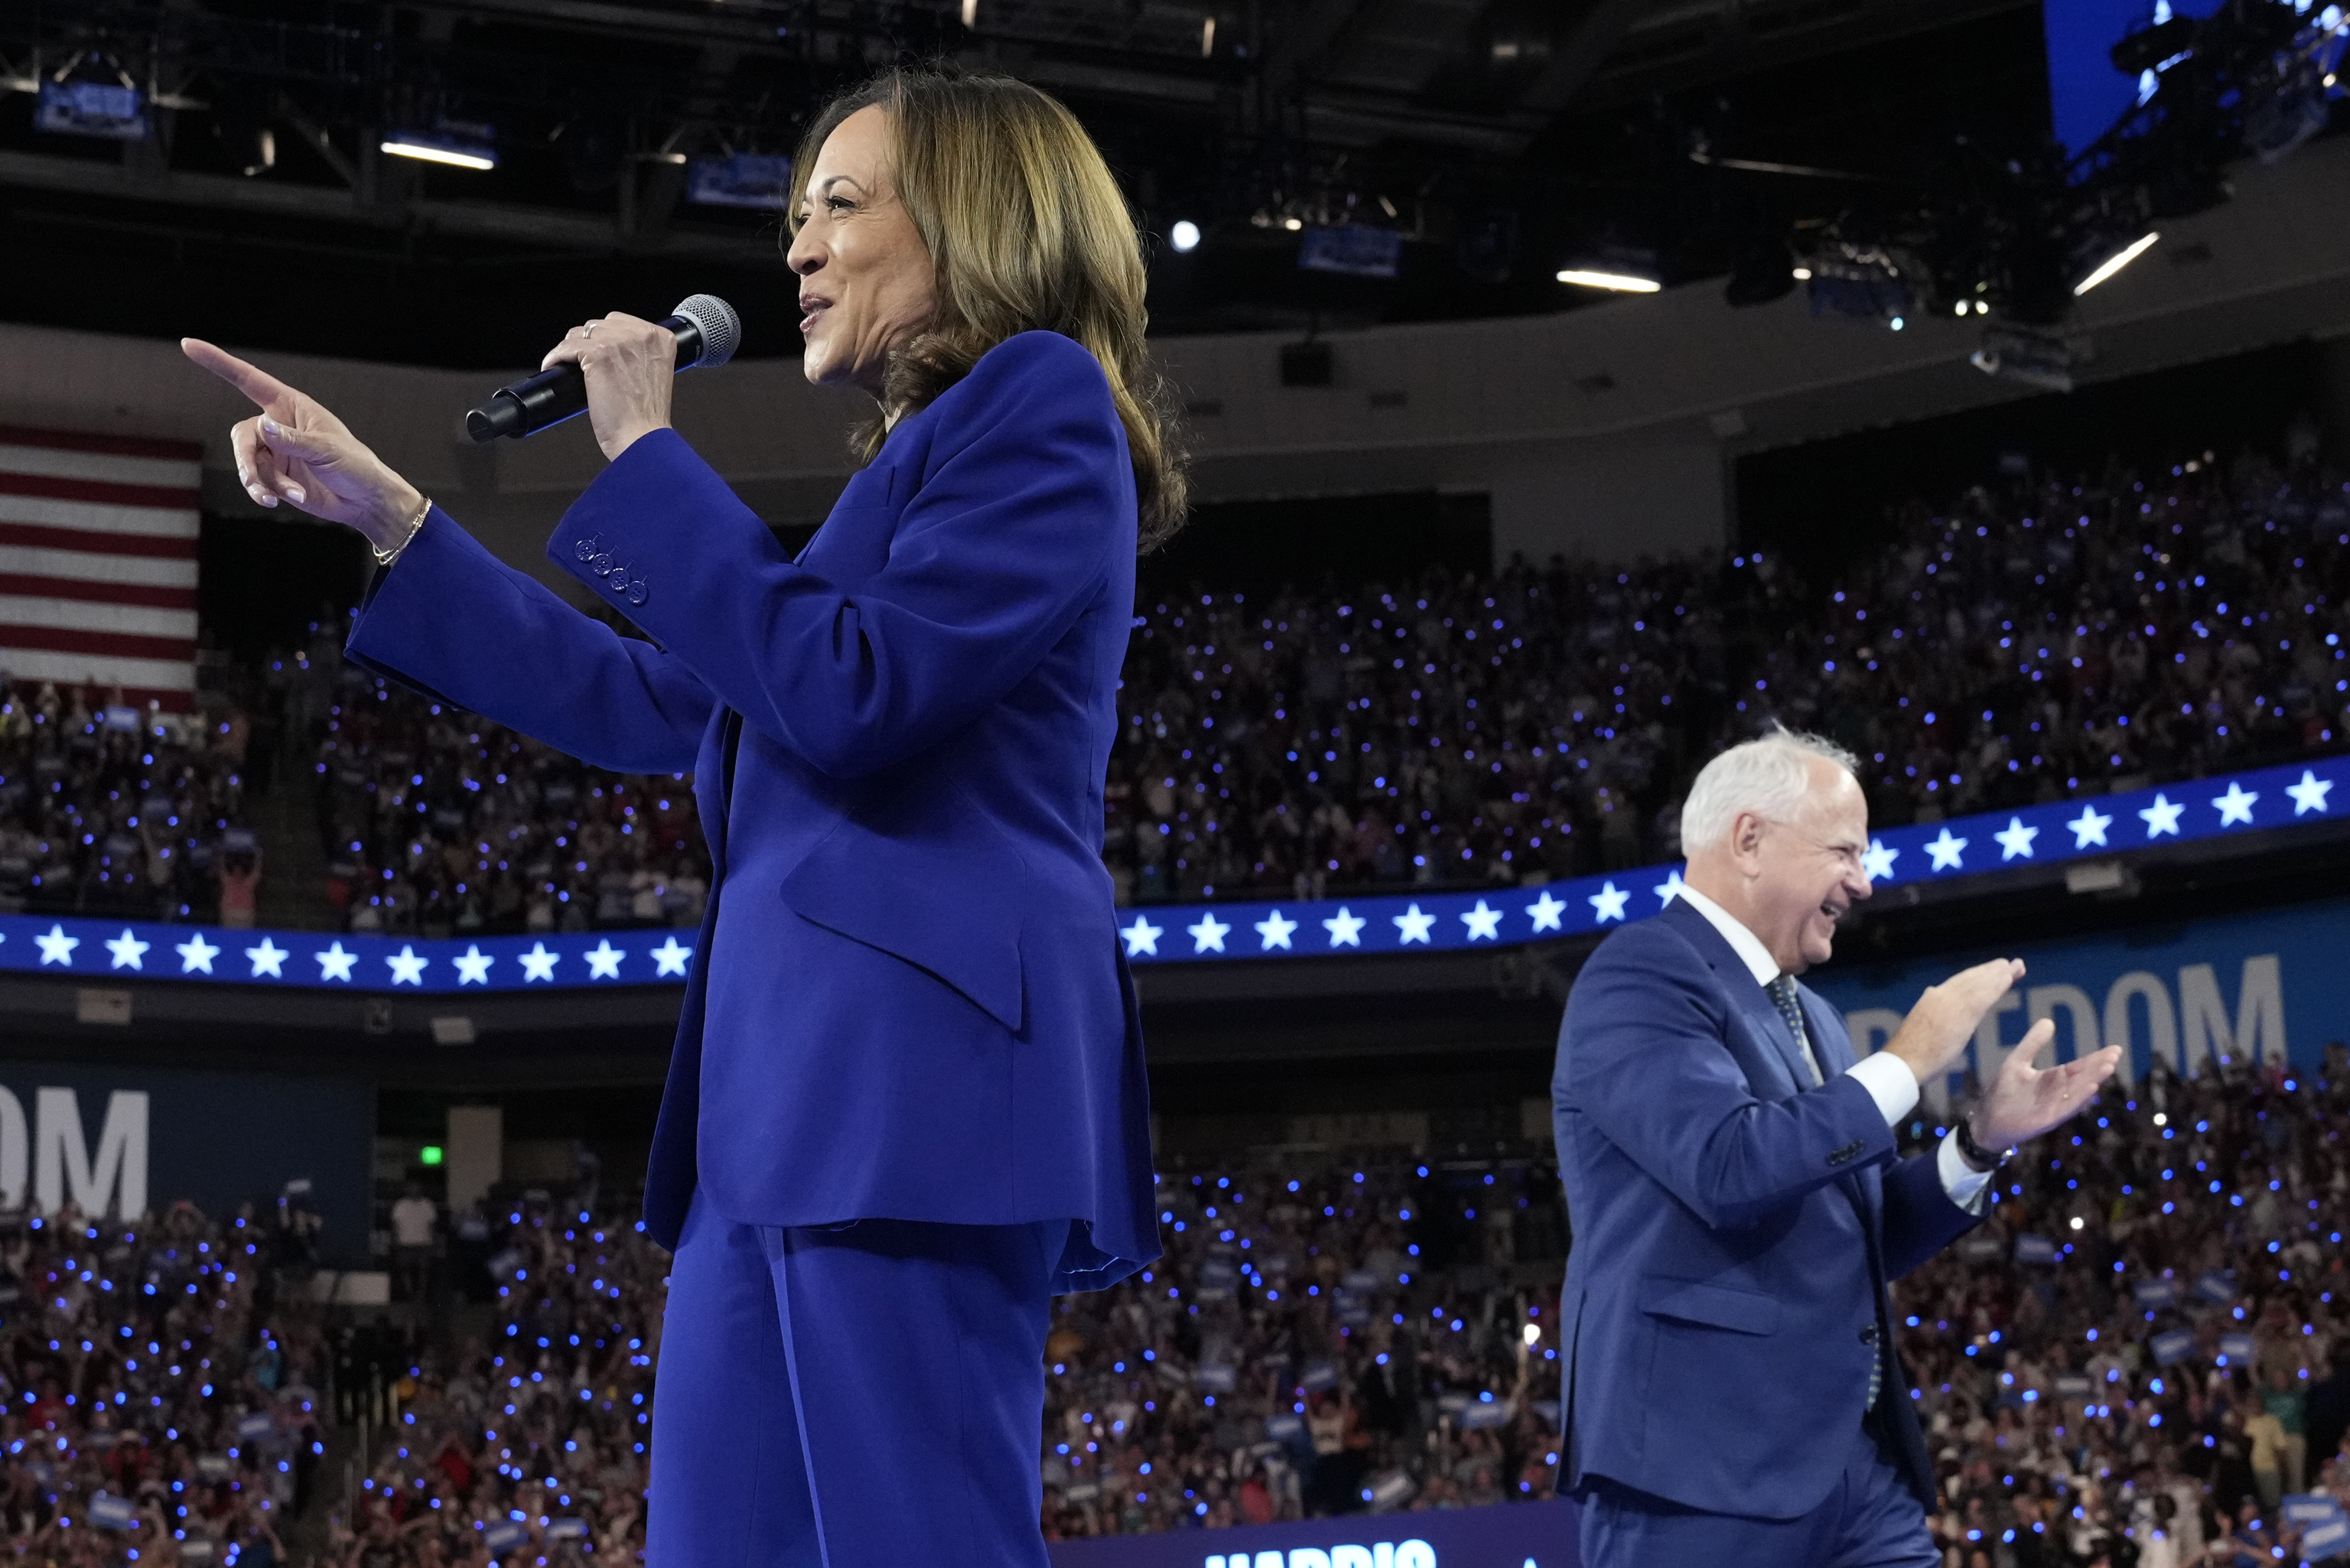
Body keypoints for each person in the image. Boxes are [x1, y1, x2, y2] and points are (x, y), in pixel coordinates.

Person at [181, 63, 1183, 1568]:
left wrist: (650, 454)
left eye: (838, 205)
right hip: (776, 1105)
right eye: (796, 215)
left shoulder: (1039, 400)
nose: (796, 249)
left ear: (978, 220)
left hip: (915, 1090)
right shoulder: (899, 479)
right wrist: (389, 515)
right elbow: (675, 703)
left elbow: (850, 692)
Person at [1551, 727, 2121, 1567]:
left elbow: (1858, 1231)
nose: (1863, 880)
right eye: (1846, 851)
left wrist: (1980, 1142)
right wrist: (1911, 1056)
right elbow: (1729, 1165)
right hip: (1696, 1470)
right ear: (1749, 839)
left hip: (1850, 1469)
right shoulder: (1638, 974)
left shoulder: (1811, 1015)